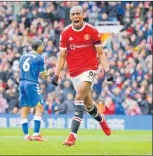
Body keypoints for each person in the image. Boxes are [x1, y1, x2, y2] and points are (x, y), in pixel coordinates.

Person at [51, 6, 115, 147]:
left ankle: (72, 136)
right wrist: (56, 74)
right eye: (73, 14)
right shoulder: (65, 33)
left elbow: (101, 53)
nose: (75, 16)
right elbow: (62, 57)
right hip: (74, 73)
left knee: (78, 96)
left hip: (90, 69)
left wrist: (108, 70)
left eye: (78, 14)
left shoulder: (92, 31)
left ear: (83, 15)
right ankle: (101, 120)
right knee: (89, 105)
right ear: (70, 16)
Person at [19, 39, 51, 141]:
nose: (43, 48)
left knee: (25, 108)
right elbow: (43, 76)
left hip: (22, 83)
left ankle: (26, 135)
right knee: (39, 107)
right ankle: (36, 134)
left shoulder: (23, 56)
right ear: (39, 47)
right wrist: (49, 73)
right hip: (31, 83)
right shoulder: (39, 58)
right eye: (42, 46)